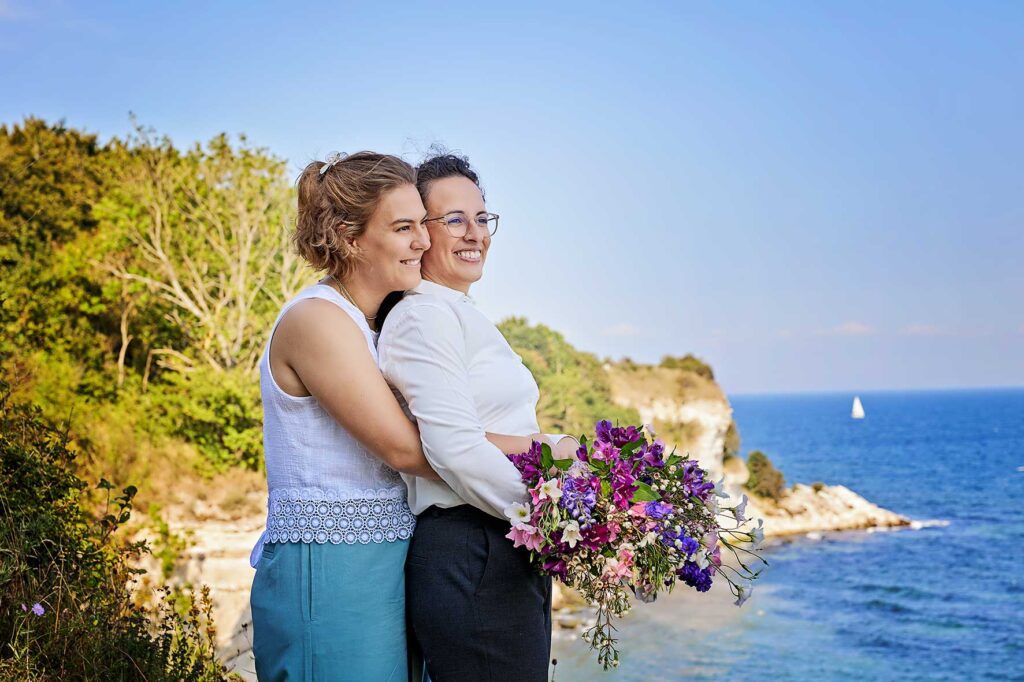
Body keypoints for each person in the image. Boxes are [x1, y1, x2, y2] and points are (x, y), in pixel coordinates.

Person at [250, 151, 566, 681]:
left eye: (422, 224)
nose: (423, 241)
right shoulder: (317, 321)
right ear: (350, 238)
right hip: (329, 563)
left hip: (387, 553)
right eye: (404, 227)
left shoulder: (377, 324)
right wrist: (547, 457)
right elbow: (409, 448)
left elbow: (433, 439)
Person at [379, 153, 569, 681]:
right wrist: (554, 519)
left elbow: (488, 430)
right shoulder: (422, 315)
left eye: (482, 219)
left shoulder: (457, 311)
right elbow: (455, 447)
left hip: (498, 542)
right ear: (420, 233)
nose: (475, 234)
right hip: (472, 548)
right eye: (455, 220)